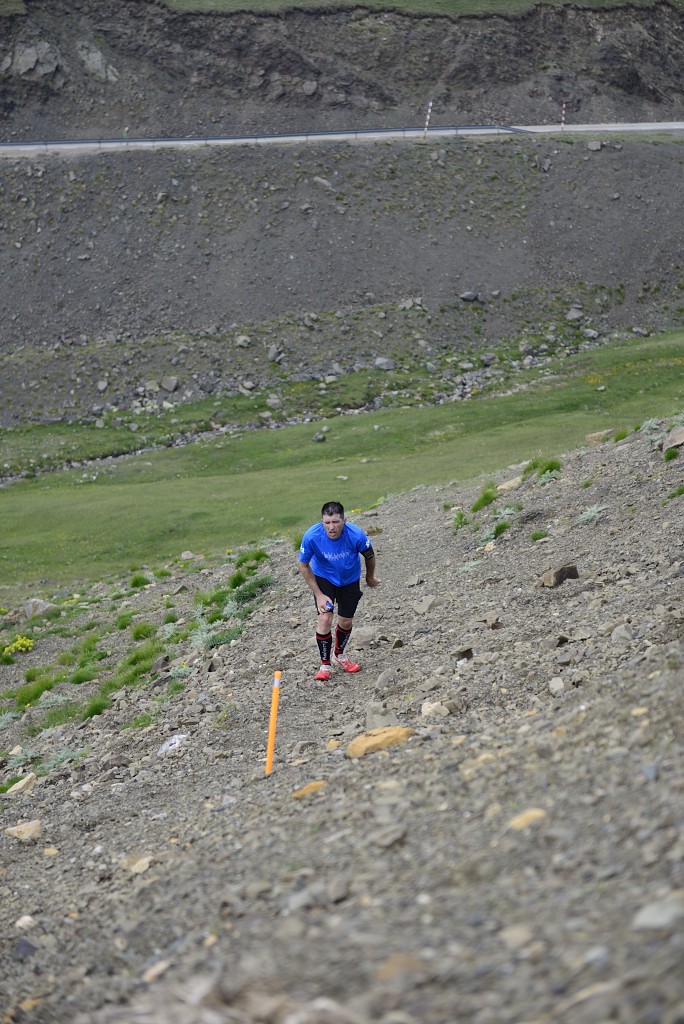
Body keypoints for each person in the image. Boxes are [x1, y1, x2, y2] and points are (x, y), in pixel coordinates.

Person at [298, 501, 380, 680]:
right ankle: (325, 665)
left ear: (344, 520)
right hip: (324, 578)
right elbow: (303, 565)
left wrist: (369, 577)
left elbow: (370, 556)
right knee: (325, 617)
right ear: (322, 522)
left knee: (346, 622)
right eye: (327, 523)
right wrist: (319, 595)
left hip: (349, 579)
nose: (331, 527)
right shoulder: (312, 536)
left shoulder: (356, 535)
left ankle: (339, 655)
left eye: (335, 522)